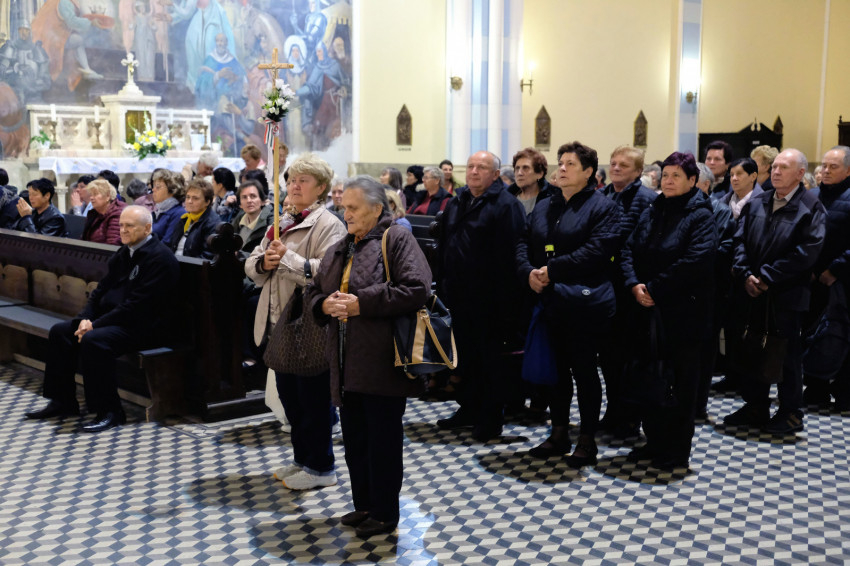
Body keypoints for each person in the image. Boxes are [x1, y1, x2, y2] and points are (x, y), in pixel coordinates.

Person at [305, 175, 432, 538]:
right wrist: (323, 304)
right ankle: (364, 504)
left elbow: (417, 288)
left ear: (377, 209)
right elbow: (314, 290)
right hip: (345, 361)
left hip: (382, 360)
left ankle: (385, 512)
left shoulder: (397, 238)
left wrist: (362, 303)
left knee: (383, 442)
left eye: (353, 208)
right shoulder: (344, 245)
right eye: (343, 207)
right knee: (356, 440)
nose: (346, 214)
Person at [25, 206, 179, 431]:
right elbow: (100, 291)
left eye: (129, 226)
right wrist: (84, 319)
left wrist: (94, 325)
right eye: (121, 225)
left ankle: (110, 411)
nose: (123, 230)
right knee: (61, 331)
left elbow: (136, 306)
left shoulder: (160, 259)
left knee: (94, 340)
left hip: (146, 327)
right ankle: (63, 401)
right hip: (115, 320)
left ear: (147, 228)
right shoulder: (125, 252)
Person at [245, 154, 347, 491]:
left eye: (304, 180)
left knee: (312, 401)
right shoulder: (283, 220)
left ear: (321, 188)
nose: (295, 186)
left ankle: (322, 467)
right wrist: (265, 261)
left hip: (308, 323)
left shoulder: (329, 224)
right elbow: (252, 261)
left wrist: (285, 258)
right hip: (279, 320)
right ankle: (302, 459)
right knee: (291, 399)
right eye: (291, 180)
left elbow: (327, 272)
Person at [516, 141, 621, 466]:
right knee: (556, 372)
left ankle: (587, 440)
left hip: (584, 303)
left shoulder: (602, 207)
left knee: (585, 372)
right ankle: (559, 433)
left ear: (588, 172)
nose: (561, 168)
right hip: (550, 301)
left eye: (570, 164)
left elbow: (597, 251)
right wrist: (528, 272)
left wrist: (552, 270)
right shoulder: (546, 205)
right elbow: (523, 241)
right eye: (560, 162)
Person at [621, 151, 717, 470]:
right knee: (651, 377)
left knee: (680, 382)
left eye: (677, 175)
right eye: (665, 175)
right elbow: (629, 249)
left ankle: (676, 450)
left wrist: (655, 288)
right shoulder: (653, 209)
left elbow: (696, 260)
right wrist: (634, 284)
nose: (669, 181)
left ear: (692, 180)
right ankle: (654, 441)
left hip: (683, 314)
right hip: (647, 309)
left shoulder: (701, 215)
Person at [724, 149, 825, 433]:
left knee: (786, 354)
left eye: (784, 167)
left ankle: (791, 412)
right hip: (753, 289)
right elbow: (739, 240)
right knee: (753, 347)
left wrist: (768, 276)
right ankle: (756, 405)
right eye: (775, 167)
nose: (776, 172)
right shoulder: (758, 201)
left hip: (786, 293)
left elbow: (807, 251)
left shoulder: (811, 206)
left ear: (800, 173)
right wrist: (746, 273)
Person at [435, 151, 527, 441]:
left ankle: (491, 417)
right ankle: (468, 408)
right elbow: (446, 242)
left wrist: (507, 301)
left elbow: (512, 253)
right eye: (471, 166)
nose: (474, 171)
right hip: (458, 294)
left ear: (495, 174)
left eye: (482, 167)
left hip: (491, 298)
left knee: (490, 361)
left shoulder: (506, 205)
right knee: (466, 357)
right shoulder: (458, 200)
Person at [598, 145, 657, 436]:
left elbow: (638, 243)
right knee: (609, 357)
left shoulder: (647, 199)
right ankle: (614, 410)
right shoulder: (604, 195)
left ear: (638, 171)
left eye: (623, 164)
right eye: (613, 163)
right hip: (606, 286)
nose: (616, 168)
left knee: (630, 358)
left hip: (631, 287)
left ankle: (630, 417)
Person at [806, 145, 850, 411]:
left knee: (841, 336)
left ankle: (844, 395)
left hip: (842, 281)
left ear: (848, 170)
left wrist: (834, 270)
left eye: (833, 167)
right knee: (813, 336)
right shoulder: (812, 195)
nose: (826, 171)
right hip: (812, 280)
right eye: (824, 165)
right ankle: (815, 390)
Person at [694, 162, 736, 419]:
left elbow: (717, 251)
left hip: (709, 291)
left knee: (704, 349)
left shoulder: (720, 211)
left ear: (706, 185)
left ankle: (698, 404)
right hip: (679, 293)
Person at [169, 179, 222, 258]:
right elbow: (171, 245)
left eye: (195, 198)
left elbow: (207, 257)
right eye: (188, 197)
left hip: (191, 264)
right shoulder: (185, 218)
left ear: (207, 202)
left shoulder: (212, 224)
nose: (189, 201)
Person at [507, 147, 557, 215]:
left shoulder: (552, 199)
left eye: (525, 168)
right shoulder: (507, 197)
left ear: (540, 174)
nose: (519, 173)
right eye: (517, 168)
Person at [230, 180, 272, 255]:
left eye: (253, 196)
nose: (249, 200)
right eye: (244, 197)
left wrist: (239, 255)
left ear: (263, 201)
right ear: (240, 205)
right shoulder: (238, 221)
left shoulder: (270, 223)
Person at [82, 179, 127, 245]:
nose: (91, 198)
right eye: (91, 194)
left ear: (108, 196)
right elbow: (84, 239)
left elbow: (113, 244)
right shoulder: (93, 213)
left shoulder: (117, 213)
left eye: (95, 194)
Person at [150, 169, 187, 245]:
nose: (153, 189)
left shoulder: (179, 213)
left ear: (172, 190)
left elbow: (167, 243)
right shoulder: (158, 211)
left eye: (158, 187)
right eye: (154, 186)